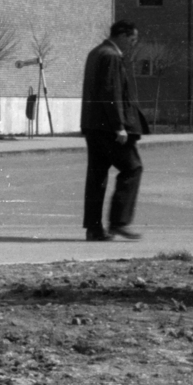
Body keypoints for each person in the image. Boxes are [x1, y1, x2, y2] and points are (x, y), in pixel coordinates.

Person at [80, 20, 146, 240]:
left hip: (93, 125)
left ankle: (94, 228)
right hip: (109, 128)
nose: (133, 44)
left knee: (97, 177)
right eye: (132, 39)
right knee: (132, 168)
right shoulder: (111, 56)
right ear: (122, 36)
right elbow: (111, 92)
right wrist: (119, 126)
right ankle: (118, 221)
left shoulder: (95, 53)